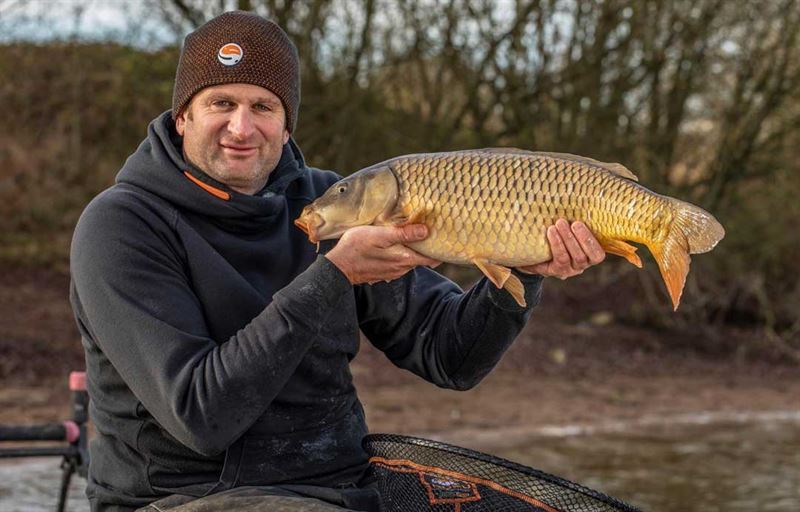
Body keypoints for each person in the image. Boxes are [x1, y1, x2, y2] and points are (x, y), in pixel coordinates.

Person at [69, 10, 605, 512]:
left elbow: (452, 357)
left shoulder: (333, 203)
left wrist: (523, 270)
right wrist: (334, 276)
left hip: (338, 487)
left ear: (287, 123)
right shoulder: (121, 227)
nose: (241, 127)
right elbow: (200, 415)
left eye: (263, 107)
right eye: (220, 104)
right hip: (182, 498)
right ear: (183, 116)